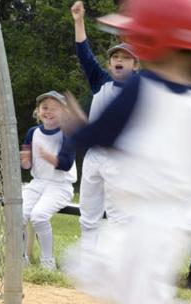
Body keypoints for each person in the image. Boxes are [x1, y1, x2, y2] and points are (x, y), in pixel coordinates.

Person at [61, 0, 191, 304]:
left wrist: (78, 130)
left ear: (153, 40)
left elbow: (104, 134)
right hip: (149, 218)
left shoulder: (141, 90)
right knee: (89, 264)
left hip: (160, 222)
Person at [71, 1, 139, 250]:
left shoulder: (139, 88)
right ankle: (89, 258)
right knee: (88, 212)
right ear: (110, 65)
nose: (119, 60)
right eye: (115, 57)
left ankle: (117, 261)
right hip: (94, 156)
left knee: (118, 215)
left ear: (135, 66)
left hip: (120, 158)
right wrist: (79, 21)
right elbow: (84, 55)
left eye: (125, 58)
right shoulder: (101, 82)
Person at [20, 91, 77, 270]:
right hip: (38, 183)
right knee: (17, 215)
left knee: (39, 216)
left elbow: (66, 164)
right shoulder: (32, 132)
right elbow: (27, 165)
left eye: (55, 108)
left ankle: (48, 261)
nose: (48, 111)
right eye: (45, 108)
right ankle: (21, 258)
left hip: (60, 185)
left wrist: (48, 156)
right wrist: (26, 161)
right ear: (38, 111)